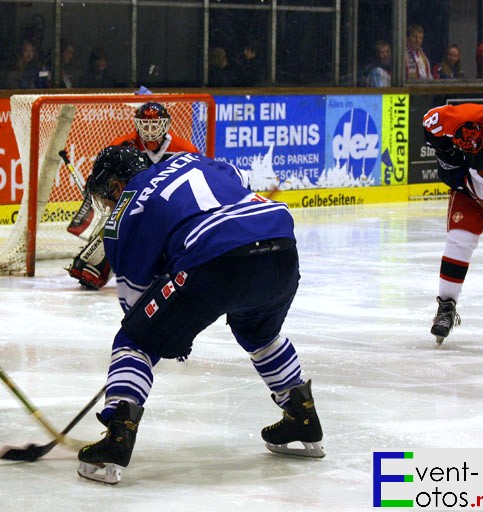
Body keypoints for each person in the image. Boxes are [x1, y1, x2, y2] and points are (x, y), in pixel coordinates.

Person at [73, 145, 325, 485]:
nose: (106, 204)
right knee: (259, 334)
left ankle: (118, 436)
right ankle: (302, 416)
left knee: (134, 340)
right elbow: (230, 186)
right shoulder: (194, 160)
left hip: (217, 258)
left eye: (105, 195)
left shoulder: (126, 208)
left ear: (117, 186)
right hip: (280, 245)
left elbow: (136, 309)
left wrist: (150, 340)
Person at [66, 101, 199, 290]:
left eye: (155, 125)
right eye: (146, 125)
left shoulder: (183, 148)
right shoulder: (123, 144)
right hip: (134, 203)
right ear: (137, 124)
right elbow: (104, 174)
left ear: (166, 124)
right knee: (119, 221)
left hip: (170, 205)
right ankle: (95, 266)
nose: (151, 130)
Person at [423, 85, 483, 345]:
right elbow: (431, 121)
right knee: (459, 241)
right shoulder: (470, 121)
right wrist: (447, 158)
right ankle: (446, 308)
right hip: (472, 189)